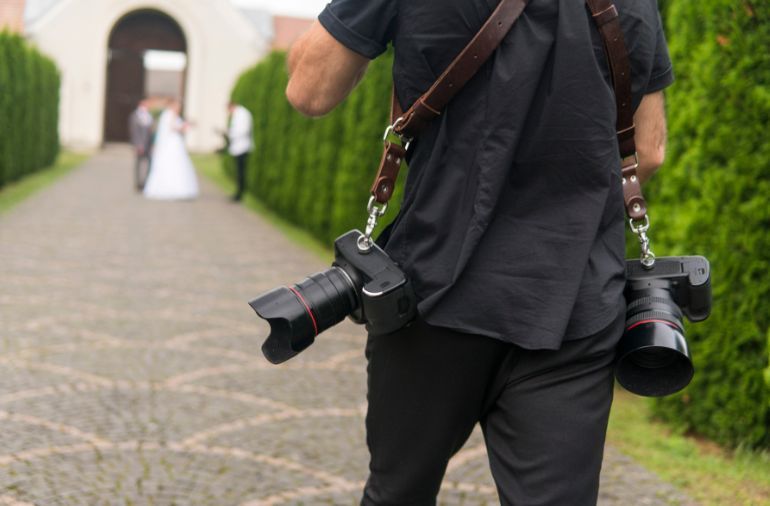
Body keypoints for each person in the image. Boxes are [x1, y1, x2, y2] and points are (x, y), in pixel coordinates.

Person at [286, 0, 672, 504]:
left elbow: (309, 91)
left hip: (431, 294)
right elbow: (649, 149)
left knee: (397, 494)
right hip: (574, 306)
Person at [143, 99, 199, 201]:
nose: (179, 108)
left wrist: (185, 126)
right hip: (172, 143)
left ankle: (181, 187)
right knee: (172, 164)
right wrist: (184, 126)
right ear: (173, 106)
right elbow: (173, 128)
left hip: (176, 142)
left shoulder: (172, 115)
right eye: (177, 106)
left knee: (179, 164)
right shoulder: (169, 115)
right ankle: (170, 188)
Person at [226, 101, 254, 201]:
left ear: (231, 107)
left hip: (242, 147)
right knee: (238, 172)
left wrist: (230, 134)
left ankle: (239, 194)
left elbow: (243, 130)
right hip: (238, 147)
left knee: (241, 172)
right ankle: (238, 192)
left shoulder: (243, 114)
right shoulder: (238, 114)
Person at [128, 98, 154, 191]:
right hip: (140, 145)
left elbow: (151, 132)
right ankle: (138, 184)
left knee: (150, 164)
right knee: (139, 165)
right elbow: (134, 132)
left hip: (148, 145)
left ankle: (145, 182)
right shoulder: (135, 116)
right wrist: (138, 145)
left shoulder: (150, 116)